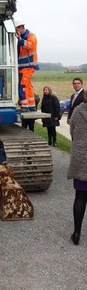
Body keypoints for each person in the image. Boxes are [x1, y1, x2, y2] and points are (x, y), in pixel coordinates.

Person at [67, 89, 87, 245]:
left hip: (81, 159)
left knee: (80, 196)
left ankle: (76, 233)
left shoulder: (77, 111)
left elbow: (72, 133)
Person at [14, 19, 39, 111]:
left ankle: (24, 106)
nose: (15, 32)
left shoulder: (30, 36)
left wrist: (20, 39)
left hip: (28, 66)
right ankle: (31, 105)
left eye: (16, 29)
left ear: (20, 28)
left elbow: (29, 45)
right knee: (27, 86)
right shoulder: (23, 36)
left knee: (22, 85)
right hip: (23, 66)